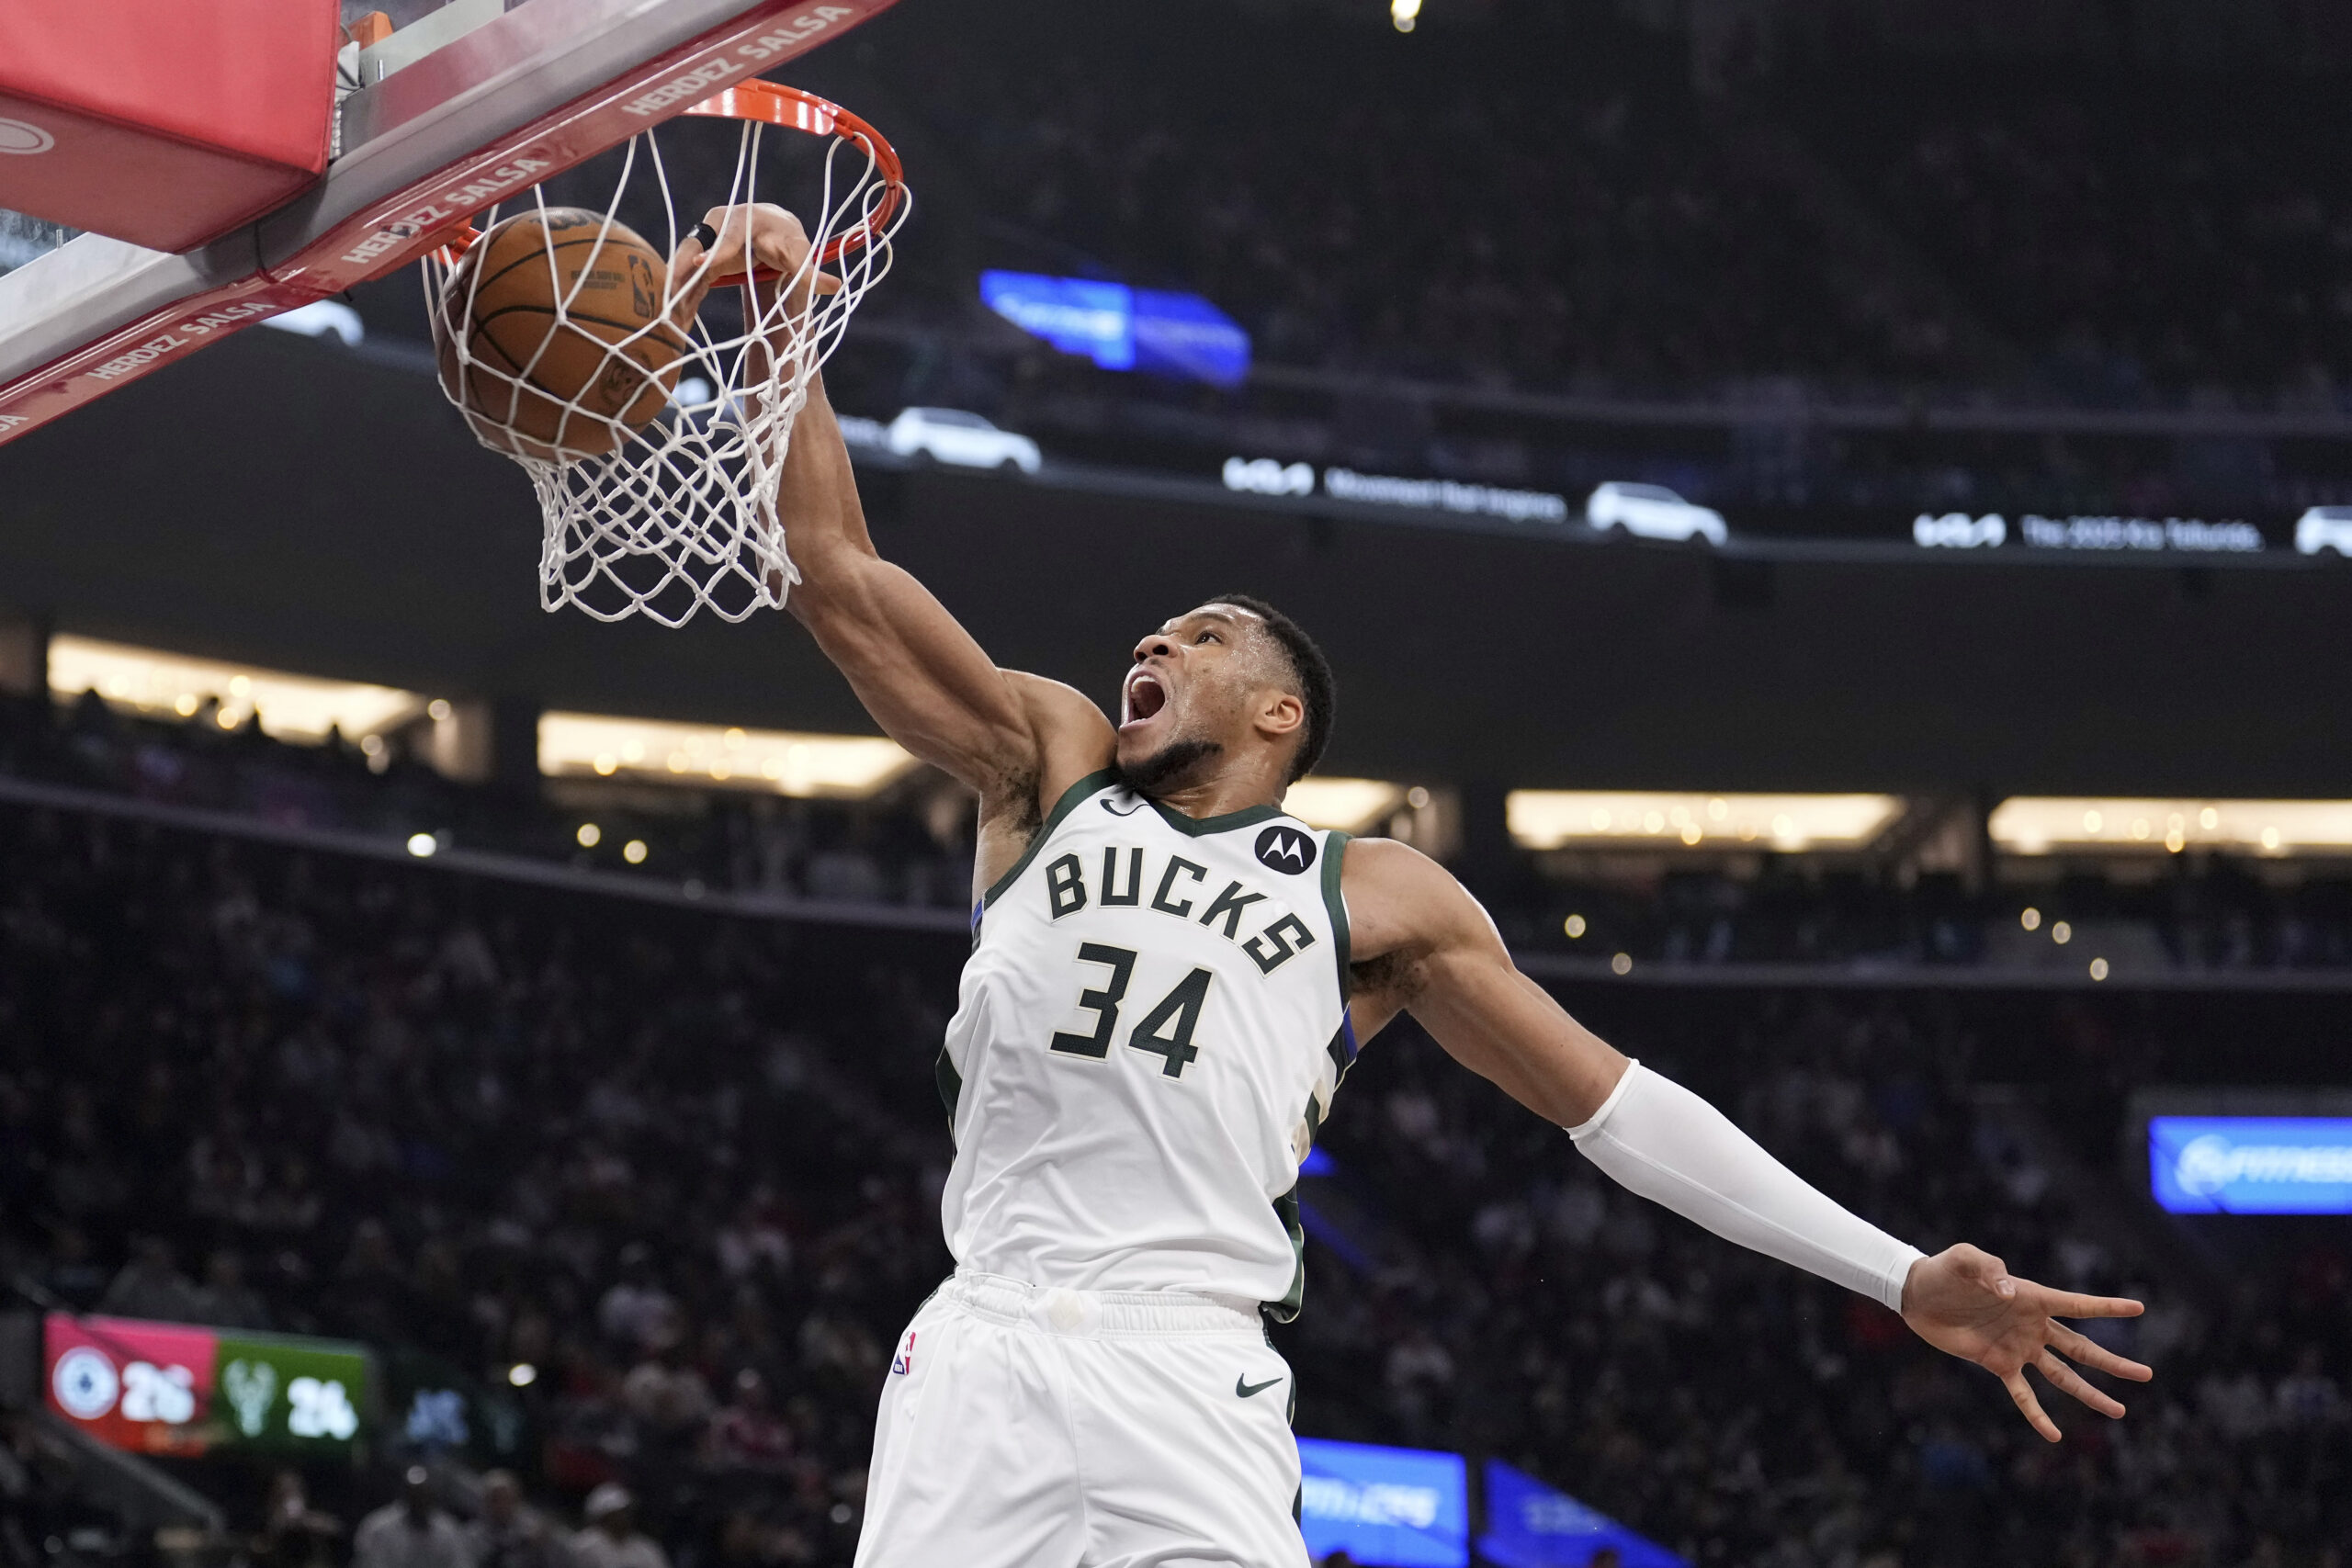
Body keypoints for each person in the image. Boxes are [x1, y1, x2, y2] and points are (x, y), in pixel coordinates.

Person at [694, 207, 2158, 1568]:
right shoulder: (1051, 766)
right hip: (985, 1343)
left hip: (1192, 1361)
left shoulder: (1379, 892)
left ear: (1282, 716)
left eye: (1199, 635)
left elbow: (1621, 1109)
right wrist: (779, 321)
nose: (1155, 640)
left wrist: (1896, 1272)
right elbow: (835, 570)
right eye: (1155, 631)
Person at [351, 1467, 469, 1568]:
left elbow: (461, 1563)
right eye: (414, 1494)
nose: (419, 1499)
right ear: (405, 1493)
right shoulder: (378, 1527)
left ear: (431, 1495)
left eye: (423, 1493)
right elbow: (370, 1564)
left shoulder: (448, 1529)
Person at [569, 1484, 669, 1568]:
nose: (624, 1516)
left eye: (626, 1511)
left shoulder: (646, 1548)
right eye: (618, 1513)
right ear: (603, 1516)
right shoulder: (584, 1545)